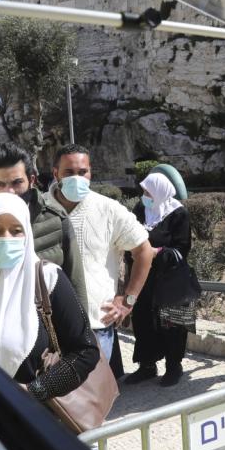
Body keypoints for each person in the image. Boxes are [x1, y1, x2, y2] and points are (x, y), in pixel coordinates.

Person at [0, 193, 99, 402]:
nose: (5, 238)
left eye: (16, 231)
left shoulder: (48, 279)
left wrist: (35, 390)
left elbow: (85, 350)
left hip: (33, 419)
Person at [49, 144, 155, 371]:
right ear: (55, 173)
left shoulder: (108, 209)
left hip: (96, 326)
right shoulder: (38, 209)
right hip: (48, 328)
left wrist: (128, 301)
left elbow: (144, 251)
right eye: (69, 172)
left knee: (94, 401)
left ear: (90, 172)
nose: (77, 178)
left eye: (83, 172)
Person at [0, 142, 87, 311]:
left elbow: (75, 284)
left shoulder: (56, 219)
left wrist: (83, 334)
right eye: (1, 184)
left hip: (47, 325)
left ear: (31, 180)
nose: (9, 192)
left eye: (17, 183)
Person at [124, 172, 194, 387]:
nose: (144, 196)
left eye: (148, 192)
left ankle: (174, 366)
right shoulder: (140, 210)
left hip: (169, 278)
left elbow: (183, 247)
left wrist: (156, 252)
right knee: (144, 321)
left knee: (172, 322)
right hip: (143, 276)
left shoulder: (178, 213)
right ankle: (147, 365)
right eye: (143, 191)